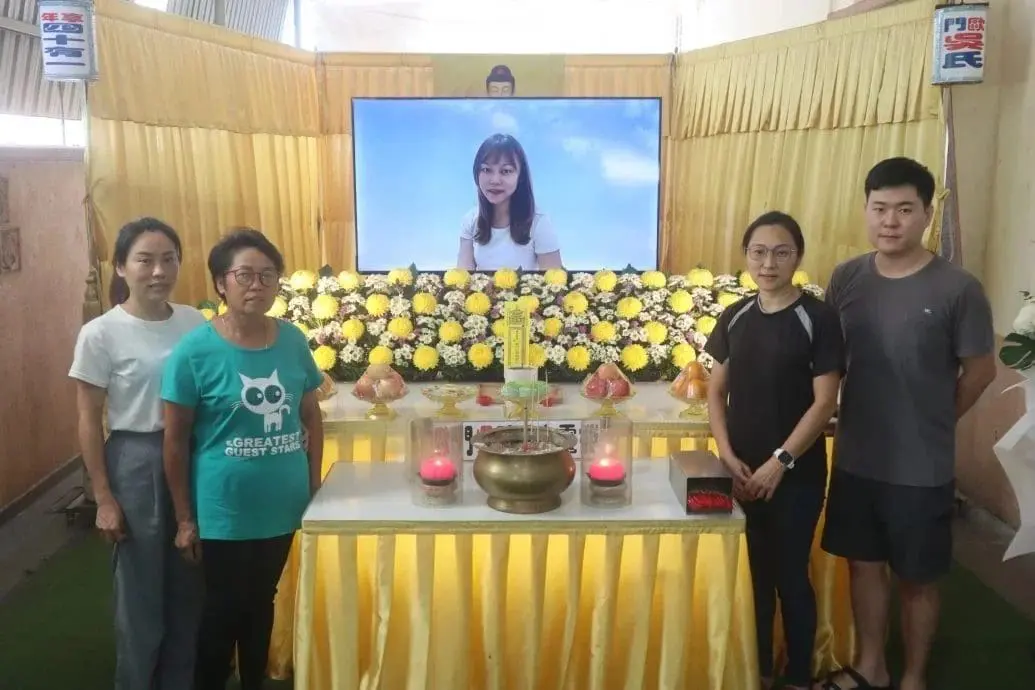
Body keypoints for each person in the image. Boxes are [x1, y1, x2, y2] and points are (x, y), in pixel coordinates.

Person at [815, 158, 996, 690]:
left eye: (903, 210)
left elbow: (980, 372)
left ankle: (913, 677)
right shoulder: (847, 277)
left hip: (921, 465)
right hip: (856, 456)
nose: (889, 221)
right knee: (863, 564)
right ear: (866, 210)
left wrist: (936, 419)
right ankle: (873, 665)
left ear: (925, 214)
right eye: (879, 209)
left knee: (919, 577)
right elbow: (829, 361)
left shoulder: (958, 288)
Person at [161, 228, 326, 690]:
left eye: (267, 275)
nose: (257, 285)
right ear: (220, 283)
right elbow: (175, 441)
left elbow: (311, 417)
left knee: (263, 601)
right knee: (223, 608)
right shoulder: (195, 350)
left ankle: (253, 680)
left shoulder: (293, 341)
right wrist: (184, 518)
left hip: (282, 503)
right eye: (244, 275)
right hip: (224, 507)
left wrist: (312, 490)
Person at [705, 211, 844, 690]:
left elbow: (826, 401)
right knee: (754, 578)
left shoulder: (819, 318)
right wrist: (725, 453)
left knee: (789, 575)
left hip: (795, 475)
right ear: (747, 257)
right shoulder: (735, 315)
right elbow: (714, 392)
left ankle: (800, 675)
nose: (768, 263)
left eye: (781, 252)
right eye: (758, 252)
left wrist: (779, 462)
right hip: (742, 473)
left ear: (797, 258)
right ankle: (759, 671)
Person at [69, 217, 207, 689]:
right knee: (141, 592)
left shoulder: (194, 321)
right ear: (122, 267)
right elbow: (89, 418)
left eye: (169, 259)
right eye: (145, 260)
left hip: (192, 456)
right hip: (136, 459)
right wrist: (104, 497)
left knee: (191, 580)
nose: (158, 271)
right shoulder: (101, 334)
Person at [457, 133, 563, 271]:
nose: (495, 180)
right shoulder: (470, 220)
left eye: (506, 171)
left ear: (520, 177)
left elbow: (555, 285)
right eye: (486, 170)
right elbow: (461, 282)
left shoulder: (539, 222)